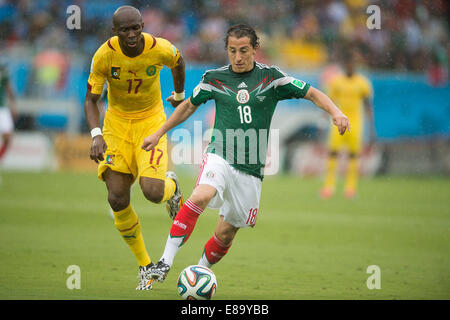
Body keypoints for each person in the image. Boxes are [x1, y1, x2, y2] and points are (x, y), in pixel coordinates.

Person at [140, 24, 350, 282]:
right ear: (226, 50)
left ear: (254, 49)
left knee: (227, 232)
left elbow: (312, 93)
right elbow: (187, 107)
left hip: (251, 169)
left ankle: (200, 272)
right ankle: (164, 262)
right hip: (220, 152)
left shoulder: (272, 78)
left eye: (243, 51)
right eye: (232, 51)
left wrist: (336, 112)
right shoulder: (214, 78)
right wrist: (158, 133)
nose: (238, 57)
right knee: (202, 194)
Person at [84, 6, 185, 290]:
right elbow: (91, 100)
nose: (131, 34)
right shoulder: (104, 55)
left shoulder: (159, 48)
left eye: (135, 28)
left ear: (143, 26)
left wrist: (178, 95)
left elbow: (178, 62)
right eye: (124, 30)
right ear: (115, 32)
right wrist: (95, 135)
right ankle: (145, 265)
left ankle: (172, 189)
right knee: (117, 198)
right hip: (116, 127)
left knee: (153, 192)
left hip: (150, 123)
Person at [320, 52, 375, 199]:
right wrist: (323, 121)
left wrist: (372, 128)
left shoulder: (362, 83)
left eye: (353, 64)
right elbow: (329, 102)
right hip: (338, 122)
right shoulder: (336, 82)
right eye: (348, 64)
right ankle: (328, 187)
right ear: (345, 65)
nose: (350, 66)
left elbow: (368, 105)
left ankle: (350, 189)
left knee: (353, 156)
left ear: (355, 66)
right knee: (333, 153)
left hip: (356, 123)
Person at [0, 62, 17, 164]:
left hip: (1, 109)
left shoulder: (3, 75)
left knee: (7, 139)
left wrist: (13, 106)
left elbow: (10, 91)